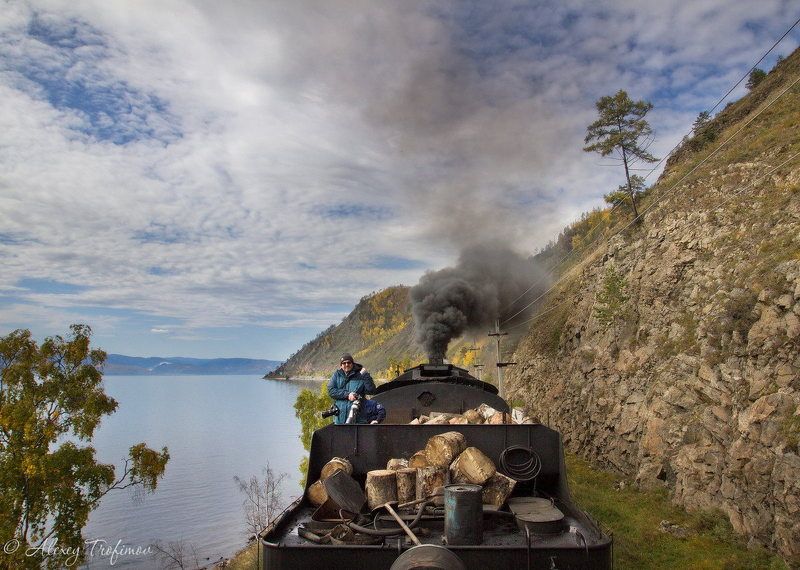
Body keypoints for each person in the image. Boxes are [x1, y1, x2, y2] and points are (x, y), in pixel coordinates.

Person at [327, 353, 375, 425]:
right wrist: (347, 394)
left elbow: (371, 391)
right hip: (340, 420)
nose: (346, 365)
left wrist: (366, 375)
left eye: (349, 362)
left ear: (352, 363)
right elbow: (331, 391)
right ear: (341, 365)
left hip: (359, 420)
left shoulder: (361, 375)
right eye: (344, 363)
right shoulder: (337, 375)